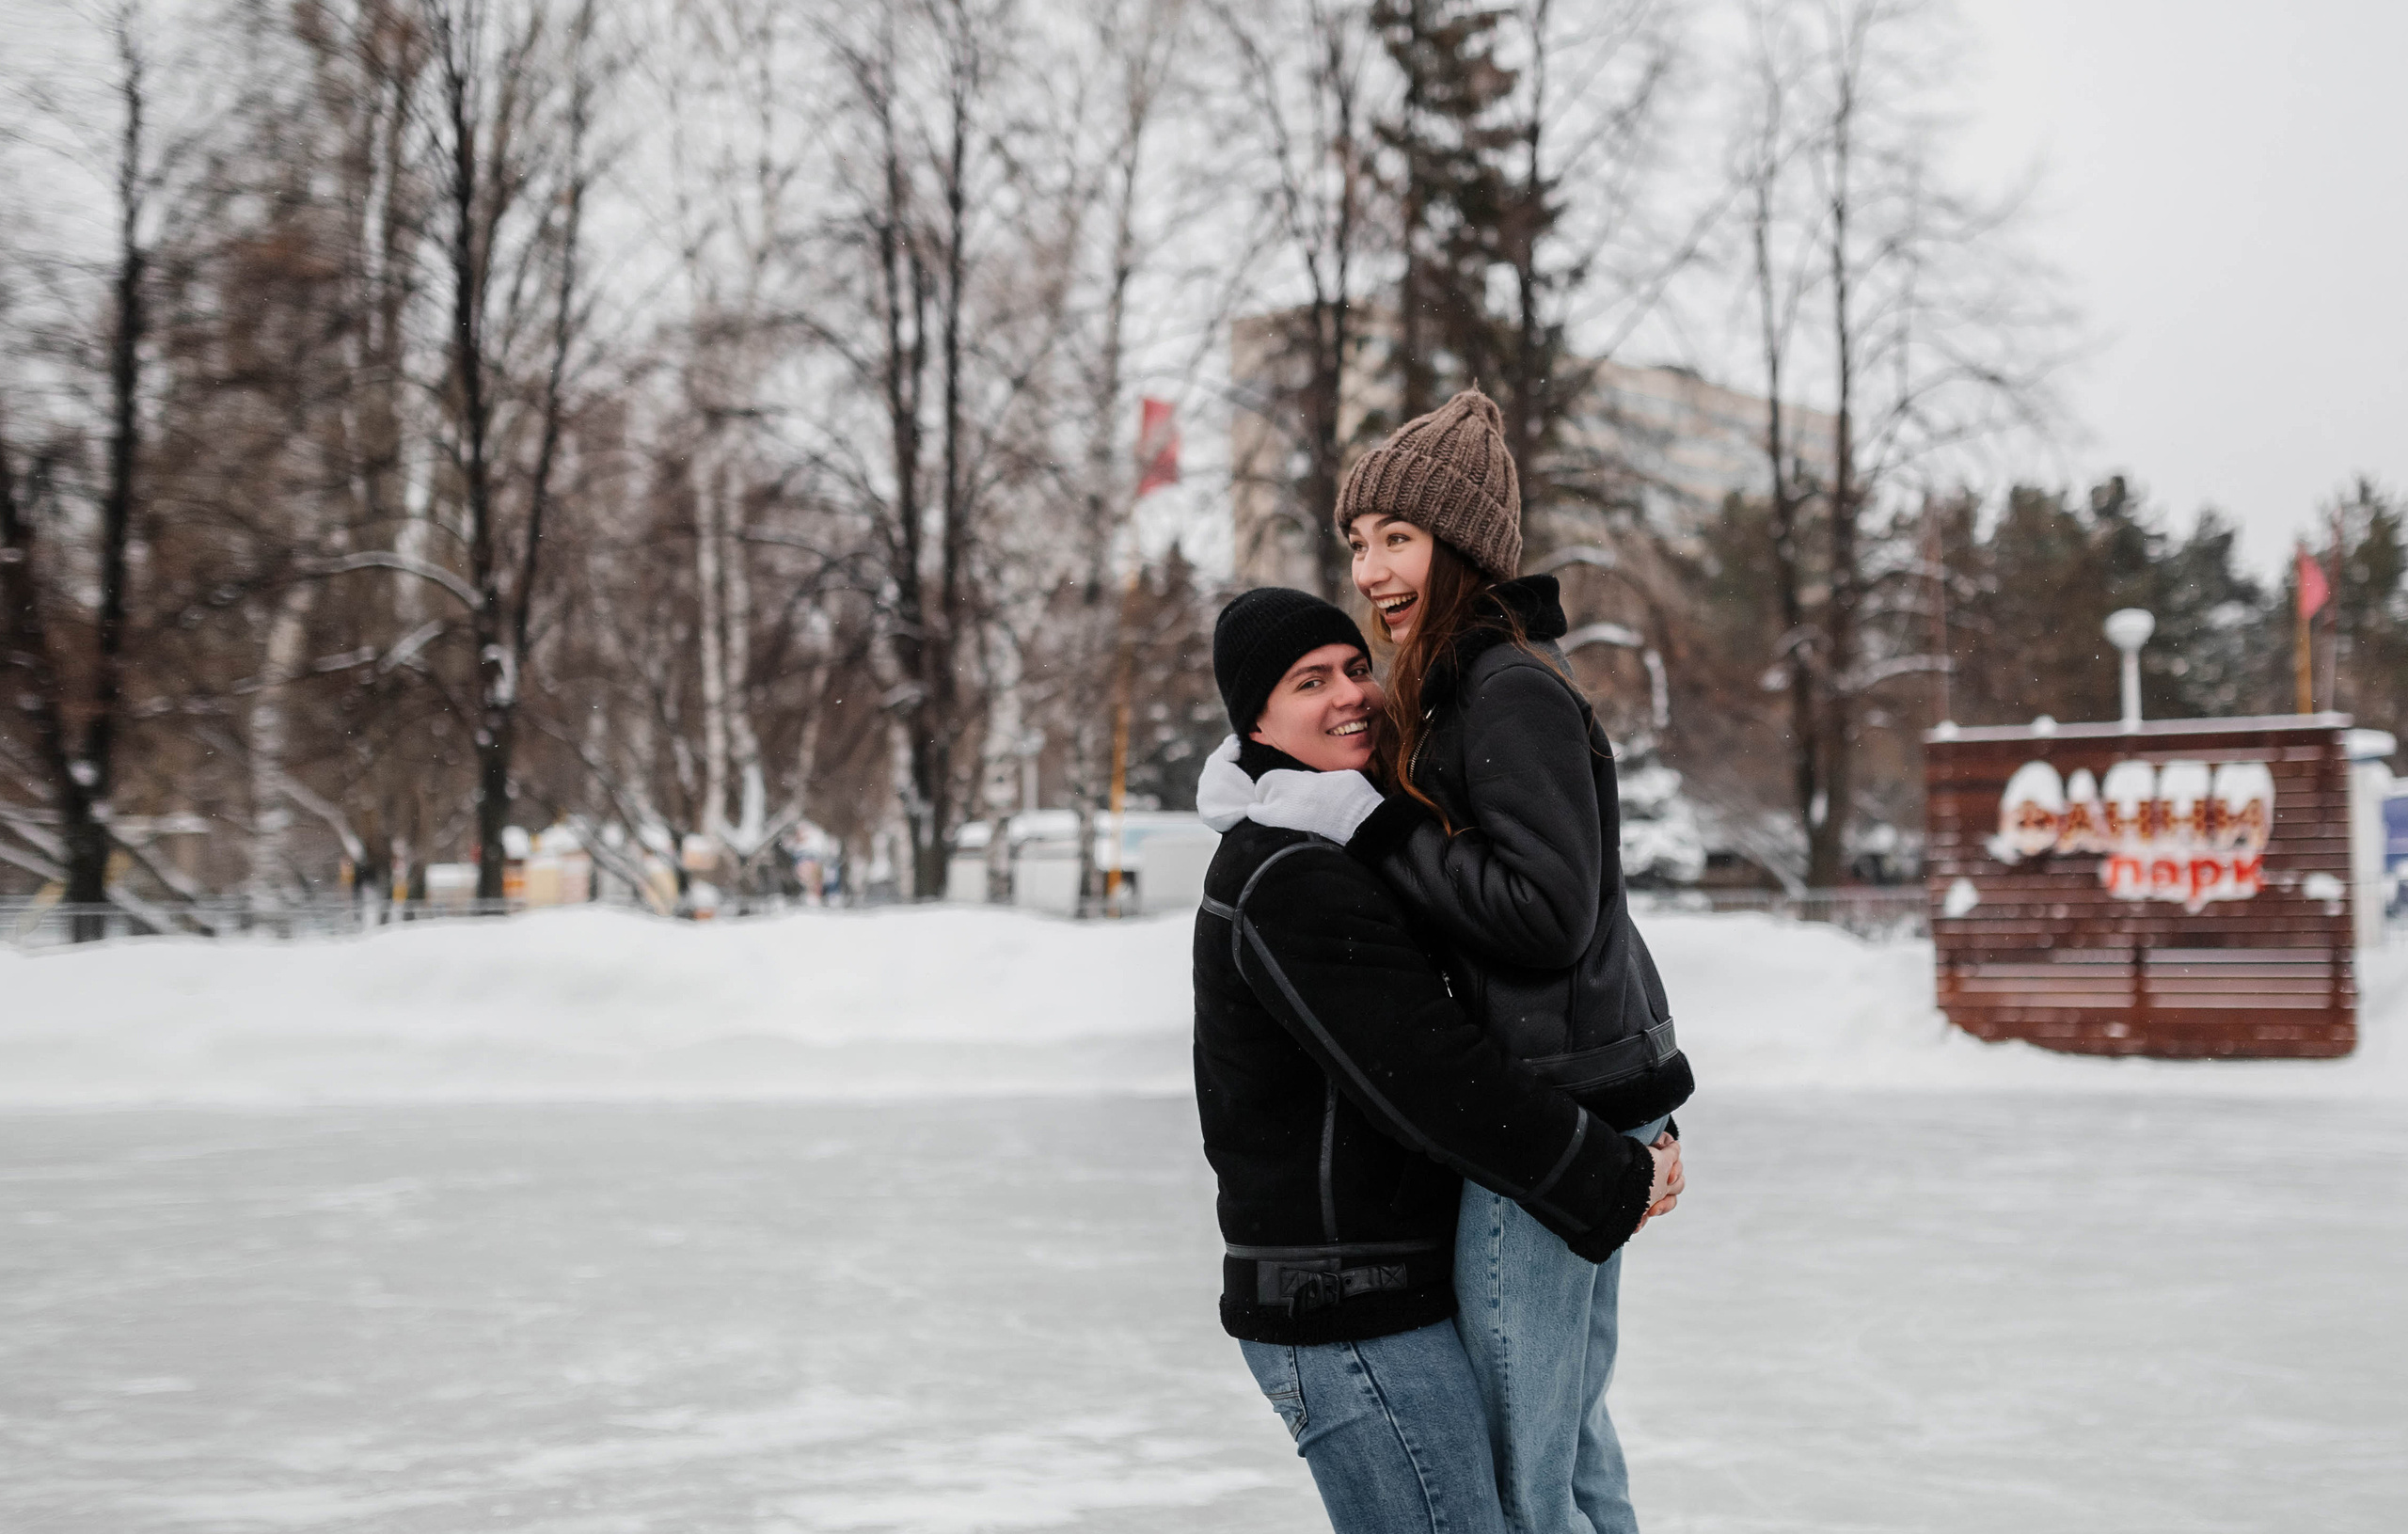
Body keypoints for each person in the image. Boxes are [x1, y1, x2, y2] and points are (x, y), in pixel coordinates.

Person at [1238, 390, 1697, 1534]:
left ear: (1463, 544)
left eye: (1398, 536)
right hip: (1580, 1094)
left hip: (1555, 1115)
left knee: (1520, 1464)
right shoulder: (1451, 690)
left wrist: (1376, 828)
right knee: (1568, 1442)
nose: (1374, 567)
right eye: (1359, 542)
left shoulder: (1507, 691)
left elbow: (1546, 912)